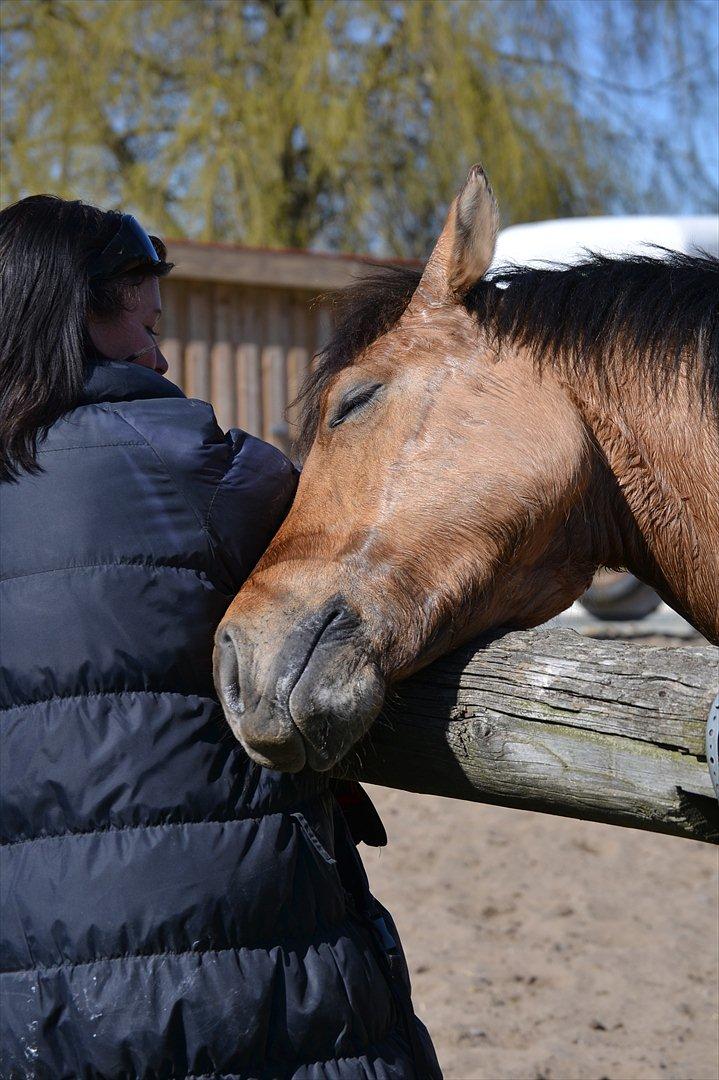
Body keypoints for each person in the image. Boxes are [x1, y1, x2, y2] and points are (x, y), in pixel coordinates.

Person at [0, 196, 441, 1078]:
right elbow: (358, 545)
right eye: (147, 325)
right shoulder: (184, 456)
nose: (160, 355)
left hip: (24, 974)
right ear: (79, 317)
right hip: (226, 936)